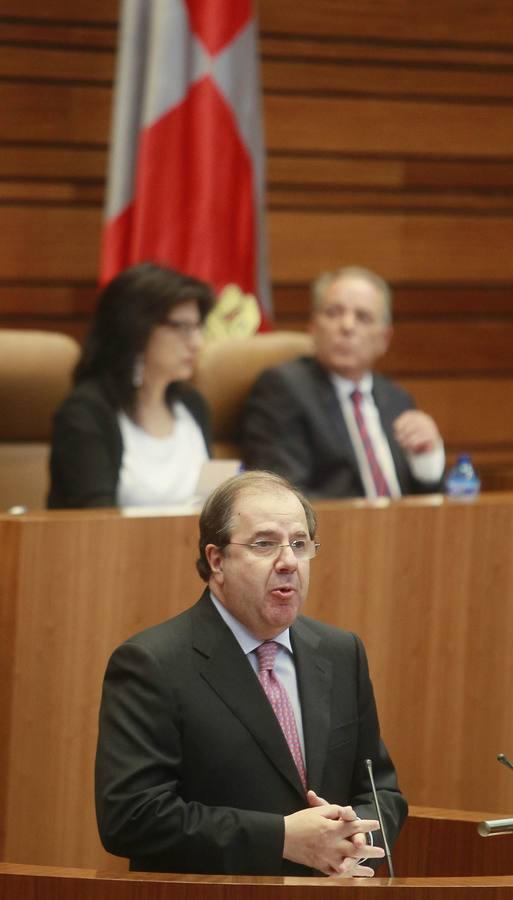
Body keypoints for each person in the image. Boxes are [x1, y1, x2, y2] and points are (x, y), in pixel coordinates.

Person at [95, 470, 407, 877]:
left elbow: (381, 789)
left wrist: (356, 840)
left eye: (300, 544)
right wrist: (280, 838)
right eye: (265, 544)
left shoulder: (340, 652)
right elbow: (132, 817)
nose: (288, 562)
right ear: (216, 560)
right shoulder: (152, 664)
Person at [243, 266, 445, 499]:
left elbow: (425, 500)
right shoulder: (283, 389)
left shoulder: (397, 399)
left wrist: (427, 457)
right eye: (333, 312)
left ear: (384, 338)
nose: (347, 326)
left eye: (363, 317)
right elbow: (284, 497)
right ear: (313, 327)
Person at [48, 262, 214, 508]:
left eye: (198, 327)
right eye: (182, 327)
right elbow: (92, 522)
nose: (197, 343)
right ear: (135, 329)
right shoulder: (86, 412)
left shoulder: (192, 405)